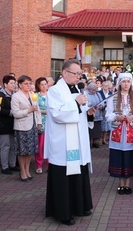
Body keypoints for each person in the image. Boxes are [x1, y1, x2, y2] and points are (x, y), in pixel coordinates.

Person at [45, 59, 95, 226]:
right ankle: (63, 212)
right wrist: (75, 103)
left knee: (79, 171)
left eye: (80, 74)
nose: (78, 77)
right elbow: (57, 114)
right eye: (76, 74)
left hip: (78, 140)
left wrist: (89, 112)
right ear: (65, 73)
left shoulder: (76, 89)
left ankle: (80, 206)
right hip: (63, 142)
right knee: (64, 176)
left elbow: (80, 112)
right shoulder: (55, 91)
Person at [106, 73, 133, 195]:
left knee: (129, 157)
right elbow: (108, 115)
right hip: (118, 132)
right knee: (119, 157)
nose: (126, 84)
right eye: (123, 82)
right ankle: (121, 184)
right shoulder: (113, 97)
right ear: (119, 83)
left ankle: (128, 184)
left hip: (131, 132)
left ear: (131, 83)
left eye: (128, 82)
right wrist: (117, 116)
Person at [11, 75, 42, 181]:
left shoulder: (33, 94)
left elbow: (37, 110)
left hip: (32, 125)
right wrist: (28, 110)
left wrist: (39, 122)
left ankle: (27, 170)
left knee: (30, 150)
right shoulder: (16, 96)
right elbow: (15, 113)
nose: (28, 85)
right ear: (20, 85)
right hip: (22, 126)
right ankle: (22, 171)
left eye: (30, 83)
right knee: (22, 150)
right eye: (26, 83)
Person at [0, 75, 19, 174]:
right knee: (5, 146)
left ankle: (12, 164)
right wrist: (12, 112)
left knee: (13, 145)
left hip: (14, 124)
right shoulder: (0, 95)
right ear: (5, 84)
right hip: (4, 124)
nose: (13, 85)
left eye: (14, 83)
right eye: (11, 83)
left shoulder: (15, 95)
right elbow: (0, 109)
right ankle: (4, 167)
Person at [35, 77, 48, 174]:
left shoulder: (51, 95)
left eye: (45, 84)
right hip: (41, 122)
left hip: (51, 123)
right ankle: (39, 165)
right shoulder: (36, 96)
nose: (44, 86)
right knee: (40, 146)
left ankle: (49, 164)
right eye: (41, 84)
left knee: (50, 145)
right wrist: (45, 111)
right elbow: (36, 109)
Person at [86, 82, 103, 149]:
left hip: (98, 115)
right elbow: (86, 104)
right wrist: (91, 106)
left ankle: (95, 142)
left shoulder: (98, 94)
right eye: (92, 90)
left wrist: (101, 106)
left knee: (97, 130)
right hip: (90, 115)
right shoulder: (86, 94)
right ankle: (88, 143)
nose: (93, 91)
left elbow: (102, 101)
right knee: (90, 130)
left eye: (95, 90)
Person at [99, 81, 113, 145]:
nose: (105, 87)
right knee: (101, 125)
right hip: (101, 110)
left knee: (107, 125)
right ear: (102, 86)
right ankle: (100, 139)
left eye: (107, 86)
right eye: (104, 86)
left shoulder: (111, 93)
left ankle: (104, 139)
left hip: (108, 110)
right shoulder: (99, 93)